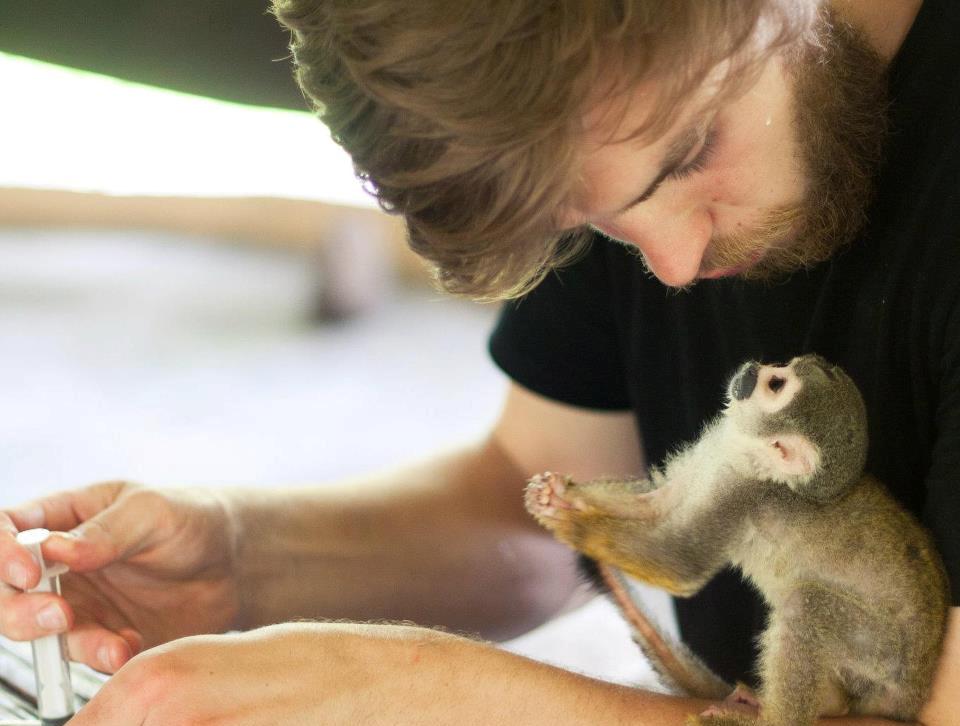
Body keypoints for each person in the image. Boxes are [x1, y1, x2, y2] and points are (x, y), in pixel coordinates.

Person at [1, 0, 957, 723]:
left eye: (686, 157)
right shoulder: (578, 112)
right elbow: (534, 505)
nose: (674, 263)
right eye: (595, 225)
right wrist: (240, 563)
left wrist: (405, 684)